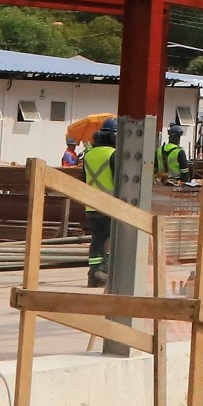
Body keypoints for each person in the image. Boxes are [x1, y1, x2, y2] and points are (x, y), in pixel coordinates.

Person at [84, 118, 119, 287]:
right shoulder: (113, 154)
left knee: (97, 238)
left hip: (91, 205)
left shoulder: (88, 155)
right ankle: (103, 270)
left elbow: (84, 179)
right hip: (109, 205)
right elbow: (120, 181)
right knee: (113, 239)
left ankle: (93, 273)